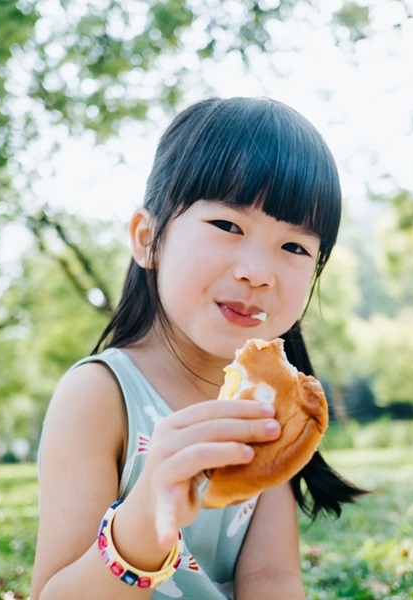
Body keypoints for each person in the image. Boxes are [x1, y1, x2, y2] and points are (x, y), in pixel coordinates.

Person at [30, 97, 367, 600]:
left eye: (295, 247)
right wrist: (141, 525)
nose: (259, 271)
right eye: (228, 226)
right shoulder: (99, 396)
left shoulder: (269, 409)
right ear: (148, 239)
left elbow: (272, 579)